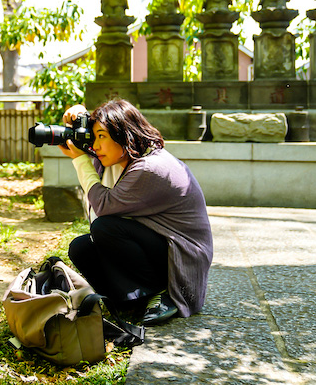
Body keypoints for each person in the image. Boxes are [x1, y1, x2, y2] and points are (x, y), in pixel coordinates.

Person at [58, 99, 213, 325]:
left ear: (125, 134)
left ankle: (161, 294)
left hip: (181, 257)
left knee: (106, 227)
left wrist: (80, 161)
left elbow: (103, 206)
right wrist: (81, 118)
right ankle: (130, 301)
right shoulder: (122, 159)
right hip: (157, 245)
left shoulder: (150, 167)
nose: (96, 145)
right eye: (95, 136)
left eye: (102, 136)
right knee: (81, 248)